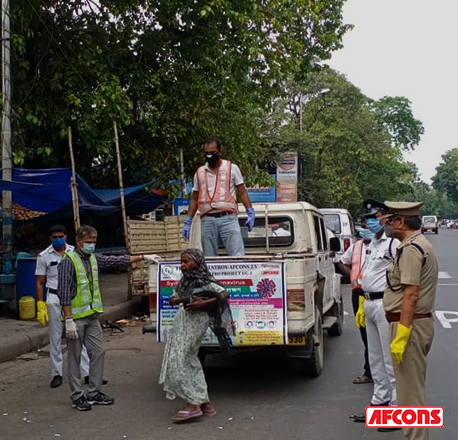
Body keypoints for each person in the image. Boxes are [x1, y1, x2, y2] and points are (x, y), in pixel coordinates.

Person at [57, 224, 161, 411]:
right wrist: (69, 319)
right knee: (75, 358)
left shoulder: (94, 259)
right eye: (88, 242)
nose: (91, 245)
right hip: (76, 319)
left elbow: (117, 261)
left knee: (98, 352)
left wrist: (144, 257)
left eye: (94, 242)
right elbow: (63, 292)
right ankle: (77, 396)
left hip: (92, 317)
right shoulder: (68, 261)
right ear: (78, 241)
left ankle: (94, 392)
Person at [383, 201, 438, 440]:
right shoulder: (416, 245)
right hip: (413, 323)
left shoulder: (412, 249)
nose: (387, 224)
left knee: (409, 395)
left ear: (401, 222)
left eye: (390, 219)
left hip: (410, 325)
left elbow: (411, 293)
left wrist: (402, 333)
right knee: (411, 390)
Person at [159, 248, 233, 422]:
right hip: (182, 321)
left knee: (182, 358)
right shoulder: (184, 281)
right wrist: (183, 299)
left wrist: (204, 302)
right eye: (181, 262)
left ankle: (193, 403)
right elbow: (172, 299)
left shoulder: (205, 281)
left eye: (186, 262)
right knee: (187, 358)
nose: (182, 265)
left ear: (197, 263)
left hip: (197, 321)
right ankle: (205, 403)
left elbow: (224, 293)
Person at [351, 201, 401, 433]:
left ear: (387, 220)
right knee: (375, 357)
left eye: (376, 217)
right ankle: (379, 404)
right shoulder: (372, 244)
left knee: (390, 359)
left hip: (385, 303)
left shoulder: (394, 244)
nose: (371, 221)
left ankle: (396, 410)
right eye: (369, 218)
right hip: (369, 301)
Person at [36, 225, 92, 389]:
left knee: (77, 335)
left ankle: (86, 373)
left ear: (66, 237)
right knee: (55, 338)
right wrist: (40, 305)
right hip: (54, 298)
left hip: (73, 298)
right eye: (54, 237)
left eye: (60, 236)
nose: (57, 239)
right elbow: (40, 282)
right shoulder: (44, 256)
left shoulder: (76, 252)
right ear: (50, 239)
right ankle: (57, 374)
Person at [182, 137, 255, 256]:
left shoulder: (232, 168)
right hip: (207, 220)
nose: (209, 156)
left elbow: (242, 192)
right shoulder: (199, 172)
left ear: (220, 152)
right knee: (209, 259)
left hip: (228, 218)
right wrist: (188, 221)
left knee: (237, 256)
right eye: (207, 153)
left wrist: (250, 211)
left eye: (212, 153)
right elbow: (194, 199)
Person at [338, 218, 373, 385]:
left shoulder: (386, 245)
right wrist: (351, 274)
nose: (365, 229)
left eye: (368, 226)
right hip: (358, 295)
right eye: (364, 226)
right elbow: (341, 262)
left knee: (379, 335)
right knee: (365, 334)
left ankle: (381, 372)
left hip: (378, 295)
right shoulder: (356, 246)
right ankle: (370, 371)